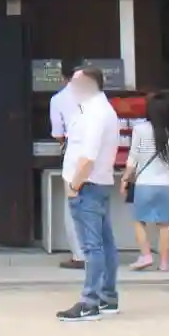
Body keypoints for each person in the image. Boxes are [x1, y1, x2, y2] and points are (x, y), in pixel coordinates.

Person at [55, 66, 121, 322]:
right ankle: (107, 296)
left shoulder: (95, 114)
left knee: (92, 246)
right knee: (105, 243)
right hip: (97, 183)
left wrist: (74, 184)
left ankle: (89, 301)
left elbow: (87, 157)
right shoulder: (100, 109)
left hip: (87, 185)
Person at [122, 91, 169, 273]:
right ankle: (164, 263)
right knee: (164, 224)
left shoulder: (140, 129)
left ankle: (146, 255)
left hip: (145, 184)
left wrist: (125, 178)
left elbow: (133, 158)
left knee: (139, 221)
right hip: (165, 185)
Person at [48, 76, 86, 271]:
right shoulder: (96, 98)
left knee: (72, 202)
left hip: (74, 155)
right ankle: (96, 251)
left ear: (64, 77)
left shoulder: (59, 99)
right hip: (98, 155)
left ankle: (79, 254)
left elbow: (58, 133)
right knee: (95, 202)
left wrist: (64, 144)